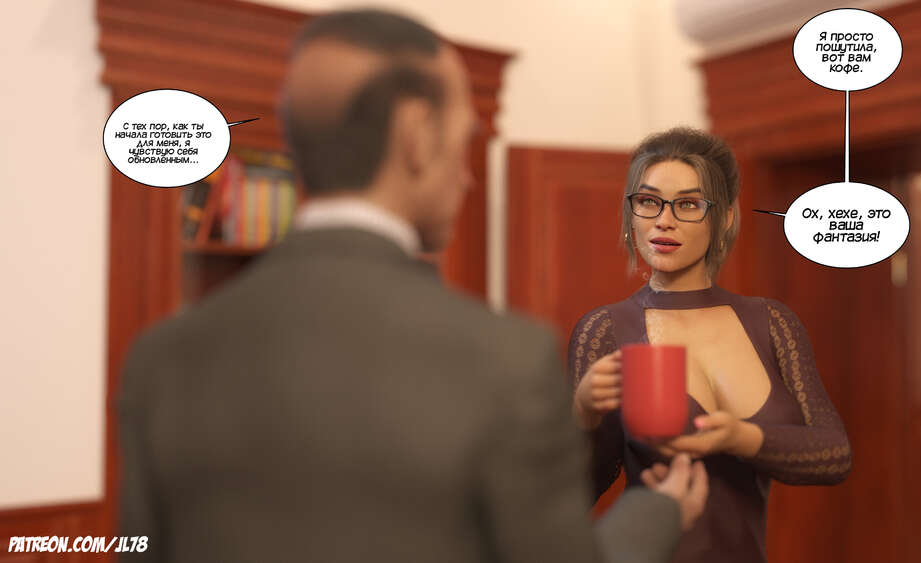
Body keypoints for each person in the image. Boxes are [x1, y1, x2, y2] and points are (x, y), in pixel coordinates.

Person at [116, 9, 709, 563]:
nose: (467, 174)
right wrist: (655, 513)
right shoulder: (505, 359)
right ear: (418, 136)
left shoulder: (161, 358)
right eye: (462, 139)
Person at [570, 127, 853, 562]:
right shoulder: (605, 330)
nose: (664, 220)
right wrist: (582, 413)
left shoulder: (772, 323)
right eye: (648, 201)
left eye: (688, 204)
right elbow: (574, 496)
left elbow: (834, 455)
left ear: (725, 217)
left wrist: (741, 438)